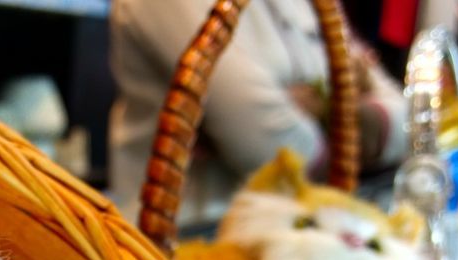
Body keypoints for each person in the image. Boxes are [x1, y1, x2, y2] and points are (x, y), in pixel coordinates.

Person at [108, 0, 410, 229]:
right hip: (191, 240)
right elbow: (272, 149)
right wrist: (344, 109)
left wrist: (320, 107)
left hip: (294, 238)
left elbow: (405, 122)